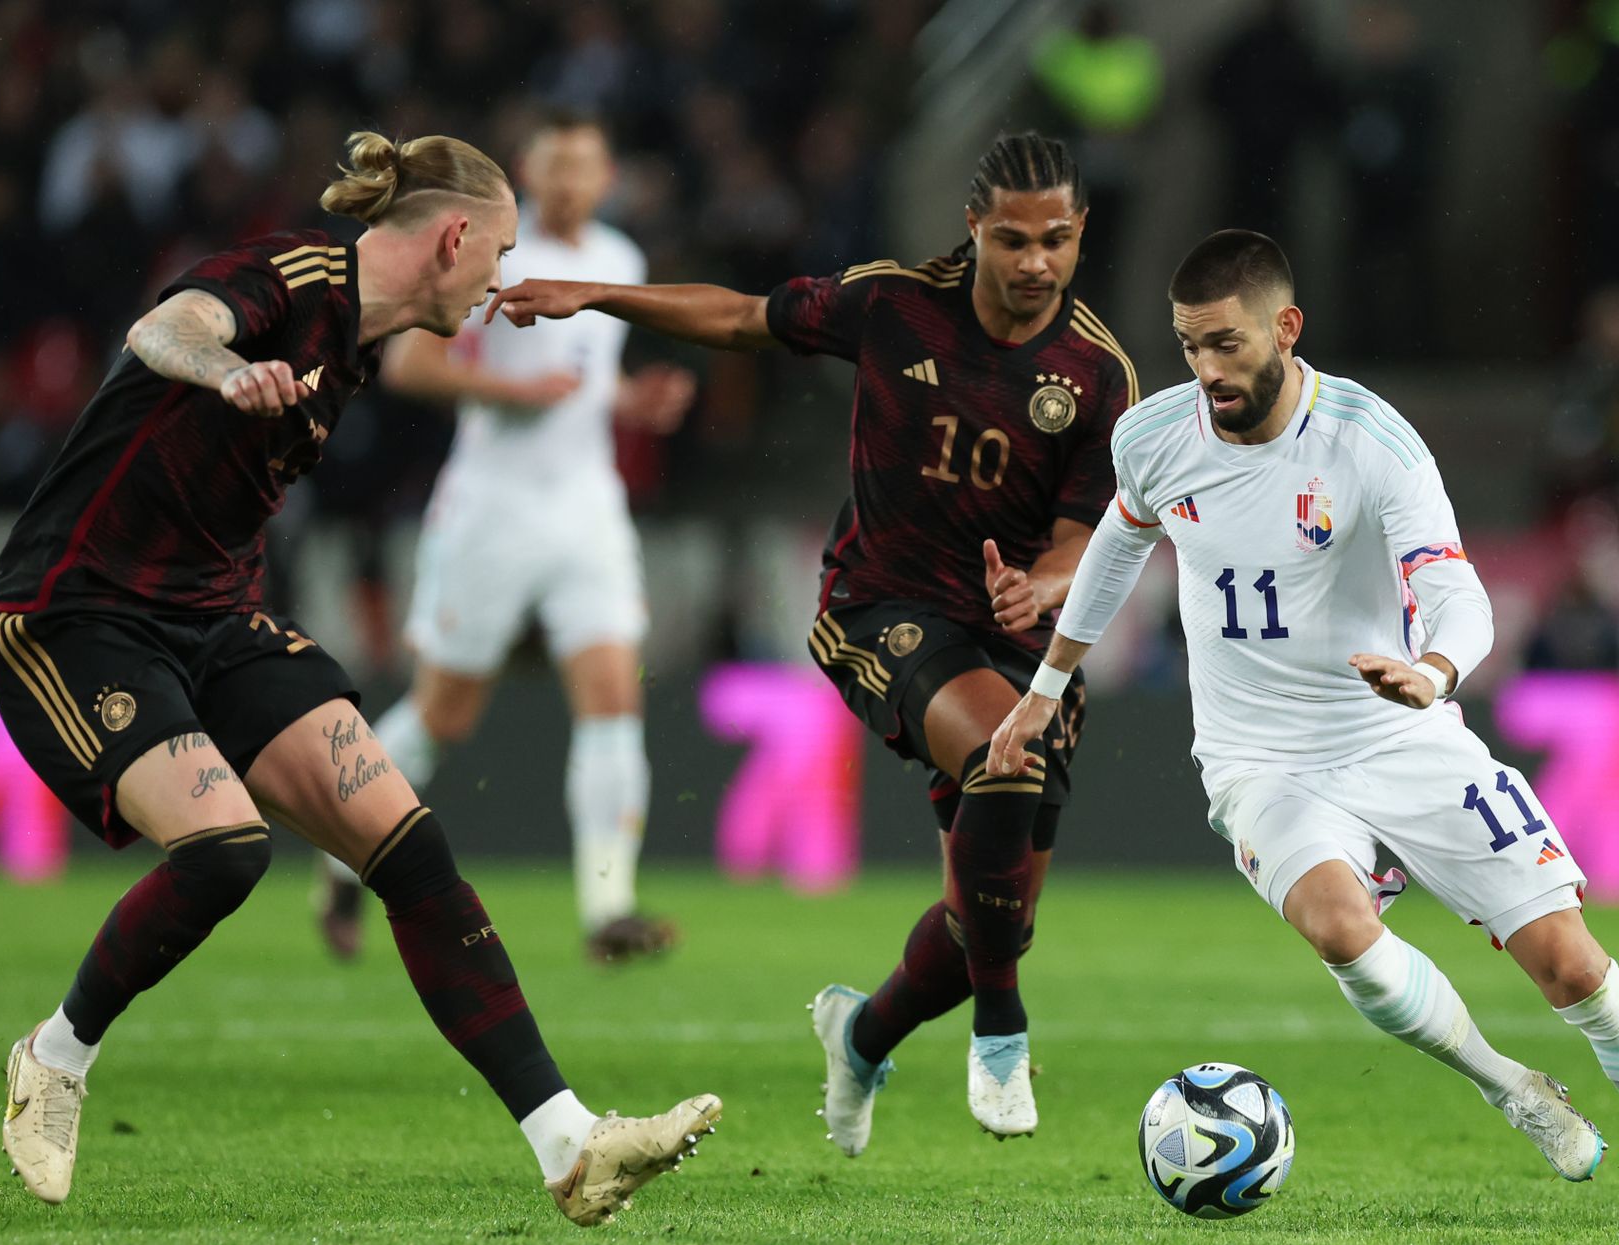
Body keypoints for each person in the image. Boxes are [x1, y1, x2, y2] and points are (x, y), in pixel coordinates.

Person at [987, 229, 1619, 1234]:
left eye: (1226, 345)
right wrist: (1044, 684)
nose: (1205, 372)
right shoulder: (1153, 438)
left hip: (1396, 735)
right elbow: (1122, 536)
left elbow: (1455, 593)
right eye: (1188, 346)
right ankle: (1505, 1084)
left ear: (1285, 329)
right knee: (1338, 925)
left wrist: (1431, 670)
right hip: (1258, 758)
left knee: (1571, 968)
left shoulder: (1368, 443)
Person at [0, 131, 719, 1224]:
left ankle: (571, 1146)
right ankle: (52, 1059)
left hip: (216, 620)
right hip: (76, 615)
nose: (501, 278)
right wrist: (229, 367)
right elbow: (164, 326)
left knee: (412, 851)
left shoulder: (364, 343)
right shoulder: (293, 276)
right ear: (454, 237)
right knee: (226, 851)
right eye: (501, 252)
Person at [486, 132, 1139, 1148]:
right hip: (881, 606)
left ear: (1079, 232)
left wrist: (1042, 583)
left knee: (987, 923)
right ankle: (1000, 1038)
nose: (1033, 264)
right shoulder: (891, 305)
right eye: (1011, 240)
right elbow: (744, 318)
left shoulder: (1095, 373)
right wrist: (600, 296)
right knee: (1008, 758)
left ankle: (860, 1037)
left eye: (1055, 240)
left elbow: (1086, 531)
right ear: (973, 227)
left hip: (1010, 636)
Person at [313, 112, 695, 965]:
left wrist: (631, 403)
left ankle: (608, 907)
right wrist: (515, 396)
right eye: (556, 167)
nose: (570, 183)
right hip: (491, 508)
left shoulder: (619, 260)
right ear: (529, 170)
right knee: (447, 713)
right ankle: (341, 854)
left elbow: (587, 379)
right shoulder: (494, 251)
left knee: (612, 697)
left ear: (605, 175)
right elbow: (411, 366)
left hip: (587, 507)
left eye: (585, 166)